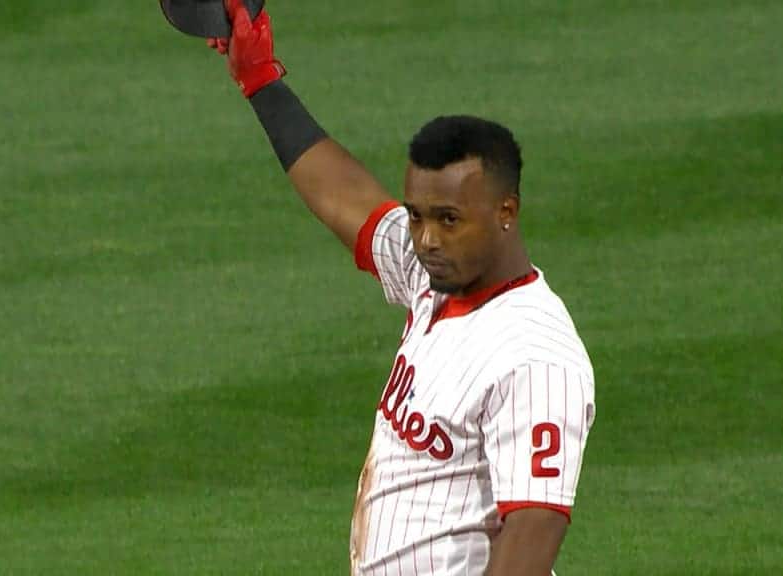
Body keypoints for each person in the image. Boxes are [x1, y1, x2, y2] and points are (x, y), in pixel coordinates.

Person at [202, 1, 596, 574]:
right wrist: (260, 79)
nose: (428, 239)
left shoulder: (534, 355)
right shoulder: (432, 279)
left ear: (506, 211)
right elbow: (349, 199)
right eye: (417, 216)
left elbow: (531, 539)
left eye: (448, 219)